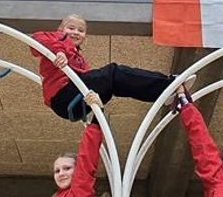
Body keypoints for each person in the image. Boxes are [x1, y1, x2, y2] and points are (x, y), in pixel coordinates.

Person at [31, 14, 194, 122]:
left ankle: (161, 94)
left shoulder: (80, 61)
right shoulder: (55, 40)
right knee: (113, 72)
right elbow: (36, 39)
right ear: (60, 29)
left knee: (115, 83)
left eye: (81, 30)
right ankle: (167, 84)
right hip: (62, 97)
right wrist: (58, 51)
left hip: (76, 104)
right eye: (71, 28)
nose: (75, 33)